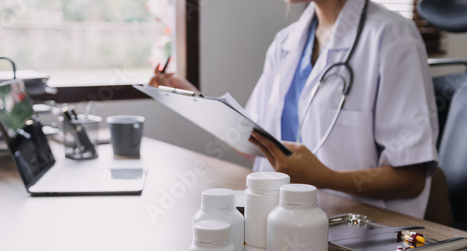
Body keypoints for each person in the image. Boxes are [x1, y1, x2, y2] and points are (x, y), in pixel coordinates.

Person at [149, 0, 439, 219]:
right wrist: (188, 94)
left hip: (363, 240)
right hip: (283, 223)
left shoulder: (392, 37)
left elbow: (411, 178)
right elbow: (254, 139)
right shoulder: (286, 42)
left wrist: (322, 177)